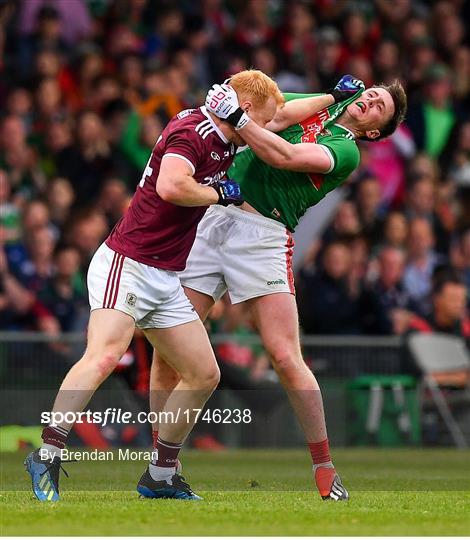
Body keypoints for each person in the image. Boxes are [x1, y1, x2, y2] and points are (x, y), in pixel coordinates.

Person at [24, 69, 284, 502]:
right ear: (247, 108)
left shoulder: (226, 137)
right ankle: (47, 452)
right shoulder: (194, 130)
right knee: (104, 356)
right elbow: (170, 185)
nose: (261, 130)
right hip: (127, 263)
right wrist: (218, 193)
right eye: (262, 119)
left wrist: (332, 98)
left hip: (164, 276)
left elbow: (282, 118)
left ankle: (160, 475)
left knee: (204, 373)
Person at [148, 75, 407, 500]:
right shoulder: (322, 105)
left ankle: (324, 466)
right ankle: (162, 469)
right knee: (169, 351)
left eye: (379, 107)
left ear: (374, 130)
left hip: (264, 235)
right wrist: (312, 101)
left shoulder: (346, 152)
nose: (371, 101)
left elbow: (284, 154)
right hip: (215, 214)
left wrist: (237, 118)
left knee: (286, 357)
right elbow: (279, 112)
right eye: (372, 94)